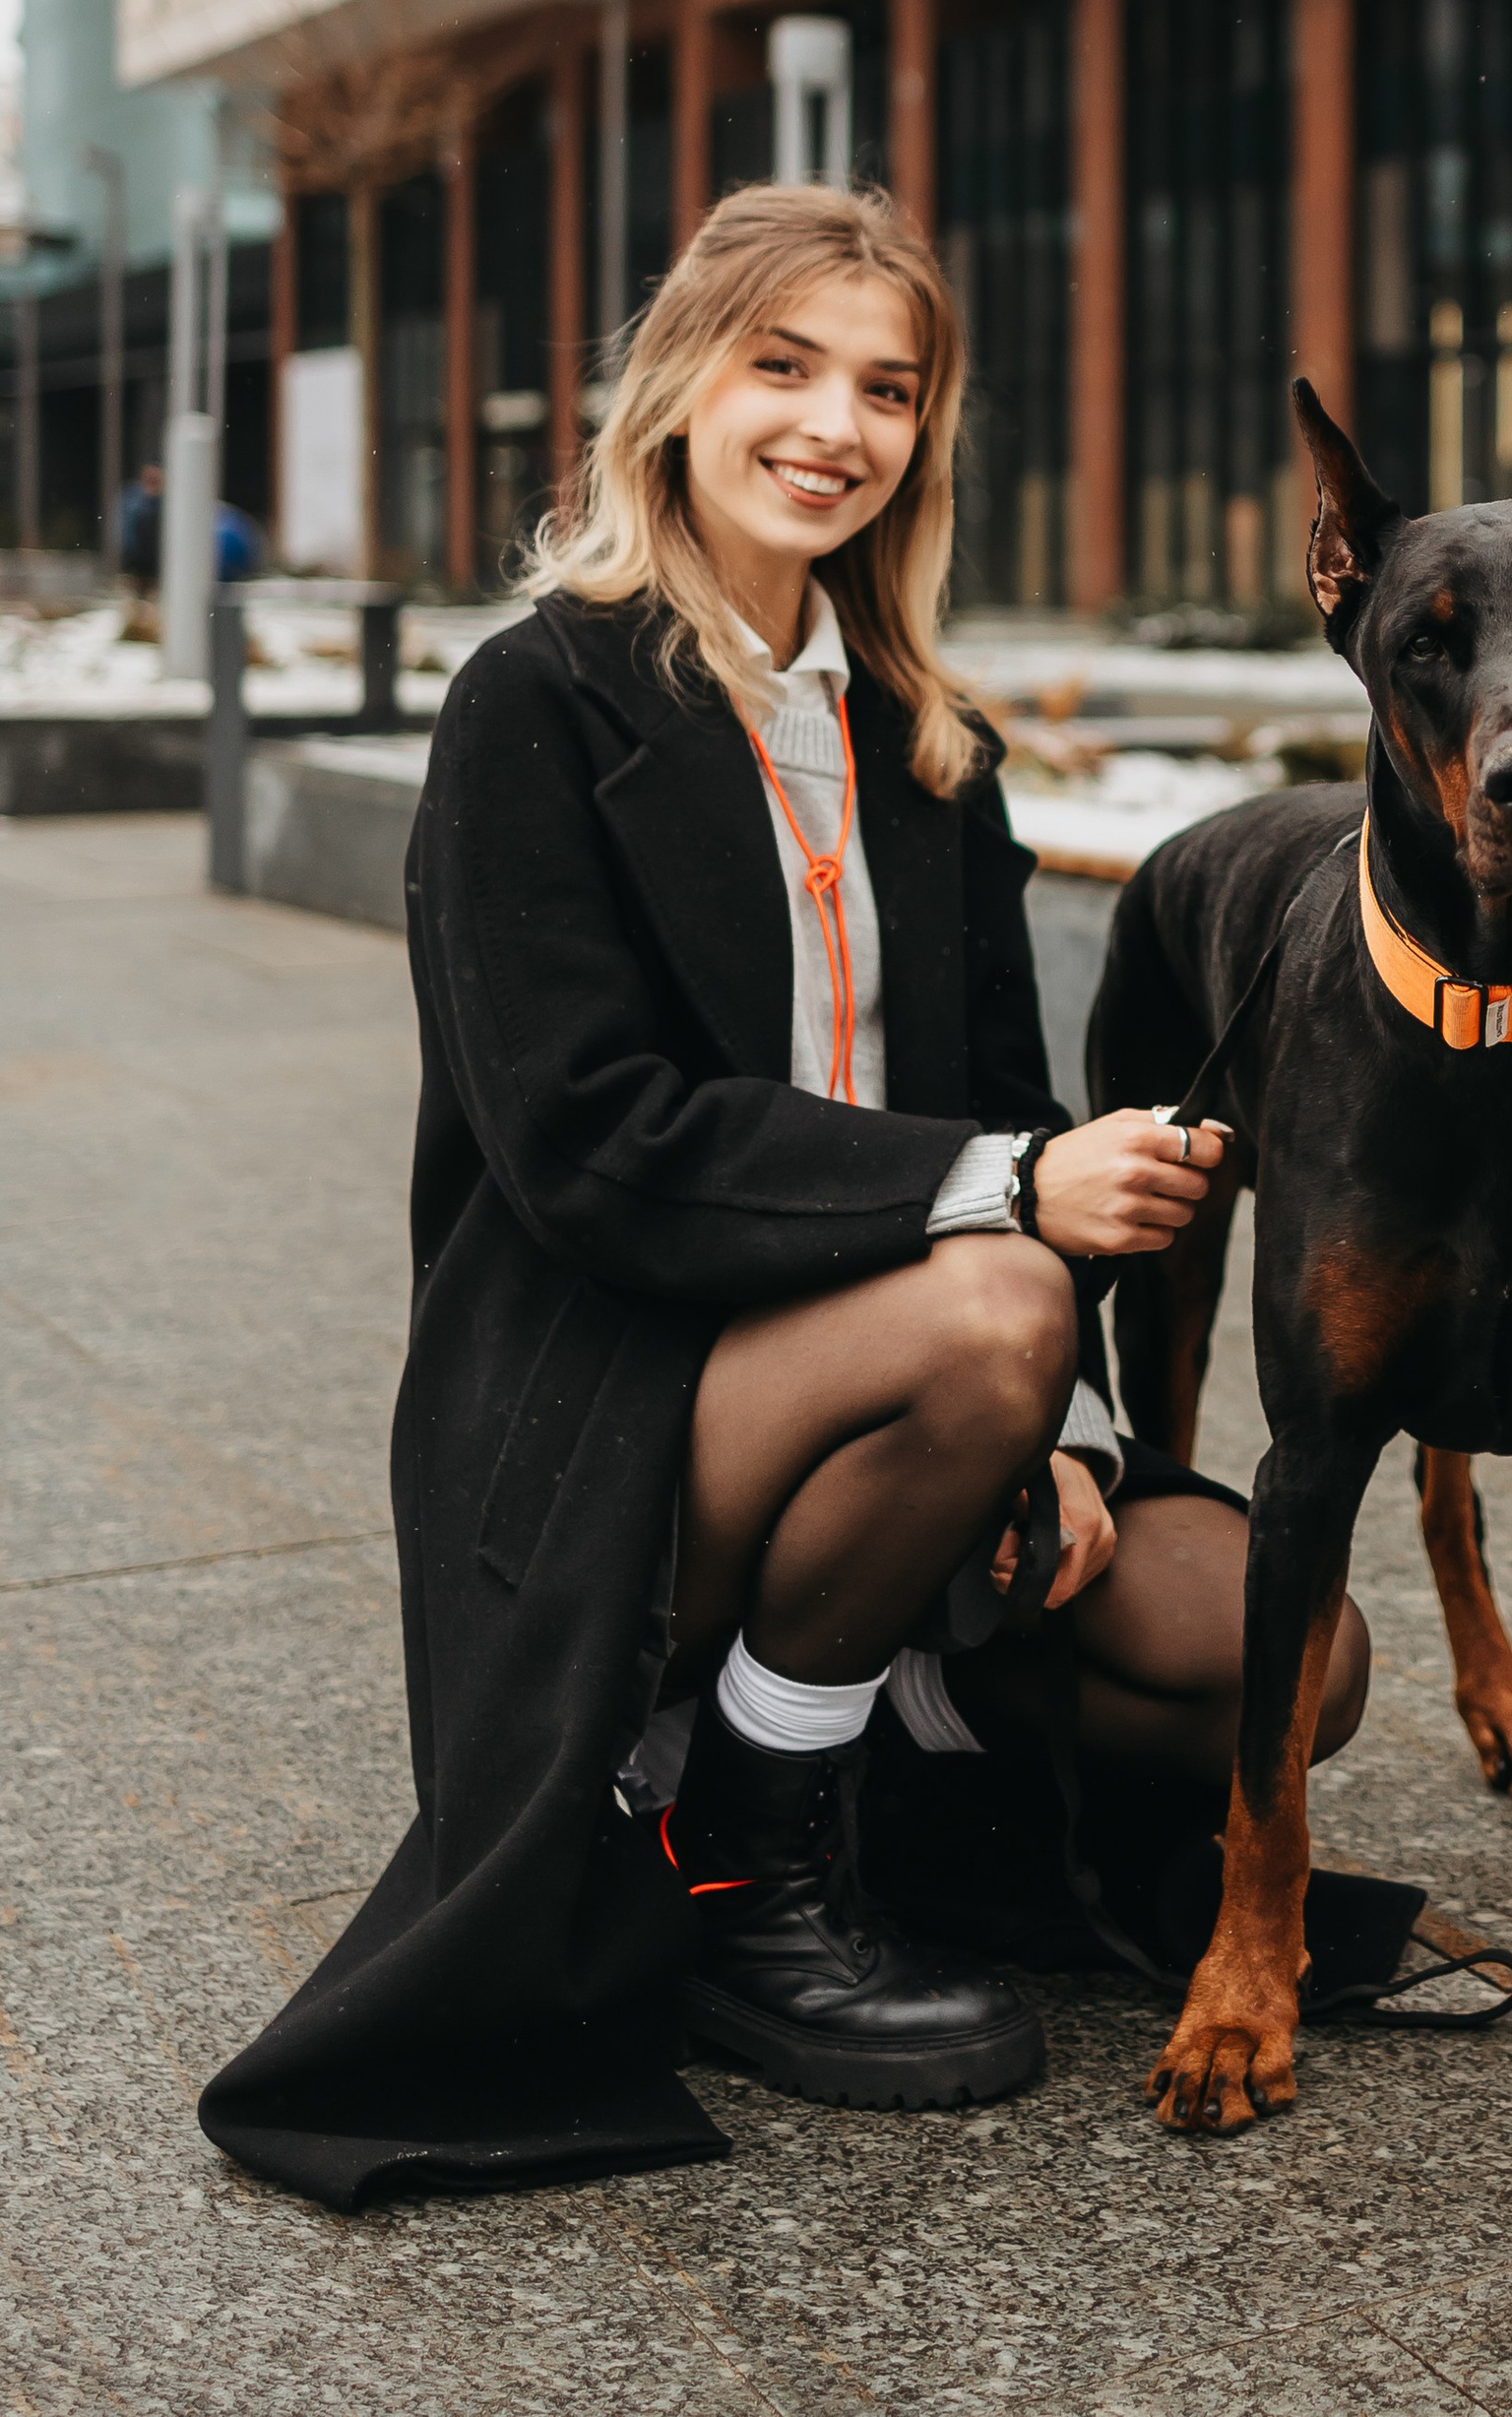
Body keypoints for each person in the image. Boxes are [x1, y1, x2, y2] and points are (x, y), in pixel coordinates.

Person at [198, 181, 1369, 2209]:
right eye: (785, 365)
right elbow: (586, 1138)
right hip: (613, 1400)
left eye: (888, 388)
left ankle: (846, 1713)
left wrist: (1078, 1434)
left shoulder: (922, 741)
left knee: (1280, 1655)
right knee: (993, 1298)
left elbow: (1005, 1093)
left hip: (917, 1399)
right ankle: (740, 1849)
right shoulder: (537, 708)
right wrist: (1000, 1202)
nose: (835, 424)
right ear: (680, 383)